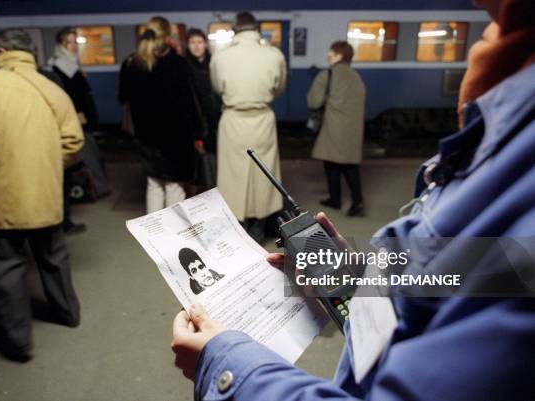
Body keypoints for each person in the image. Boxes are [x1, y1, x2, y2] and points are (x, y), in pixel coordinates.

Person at [170, 0, 535, 399]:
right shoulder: (512, 114)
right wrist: (356, 279)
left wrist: (224, 365)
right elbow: (465, 273)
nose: (476, 3)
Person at [0, 29, 84, 362]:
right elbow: (73, 141)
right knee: (54, 256)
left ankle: (18, 343)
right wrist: (48, 166)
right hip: (46, 193)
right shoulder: (51, 88)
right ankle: (68, 313)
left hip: (5, 191)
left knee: (8, 264)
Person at [210, 11, 287, 241]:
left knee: (232, 175)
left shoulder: (220, 56)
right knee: (264, 173)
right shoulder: (274, 55)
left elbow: (217, 88)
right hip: (262, 118)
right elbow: (279, 88)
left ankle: (237, 227)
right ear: (257, 29)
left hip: (233, 120)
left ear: (235, 29)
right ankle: (259, 226)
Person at [117, 16, 203, 213]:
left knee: (154, 185)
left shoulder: (131, 63)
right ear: (167, 36)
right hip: (176, 138)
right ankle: (172, 238)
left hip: (146, 137)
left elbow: (122, 97)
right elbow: (191, 104)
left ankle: (153, 234)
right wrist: (199, 134)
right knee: (174, 187)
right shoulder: (177, 63)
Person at [49, 27, 110, 234]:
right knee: (86, 153)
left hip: (80, 118)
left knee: (88, 153)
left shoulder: (68, 64)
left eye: (75, 42)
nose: (74, 46)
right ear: (61, 45)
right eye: (70, 42)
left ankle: (95, 188)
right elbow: (74, 96)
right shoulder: (62, 66)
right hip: (77, 119)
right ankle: (95, 188)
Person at [307, 41, 366, 217]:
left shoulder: (327, 75)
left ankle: (335, 199)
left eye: (331, 54)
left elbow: (314, 101)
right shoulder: (356, 77)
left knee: (331, 164)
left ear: (339, 56)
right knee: (350, 166)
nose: (328, 56)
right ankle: (357, 202)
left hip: (334, 127)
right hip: (353, 129)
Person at [185, 28, 221, 155]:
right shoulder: (183, 65)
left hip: (215, 116)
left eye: (200, 42)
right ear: (187, 45)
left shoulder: (215, 62)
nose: (196, 46)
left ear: (205, 44)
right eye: (192, 42)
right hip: (195, 118)